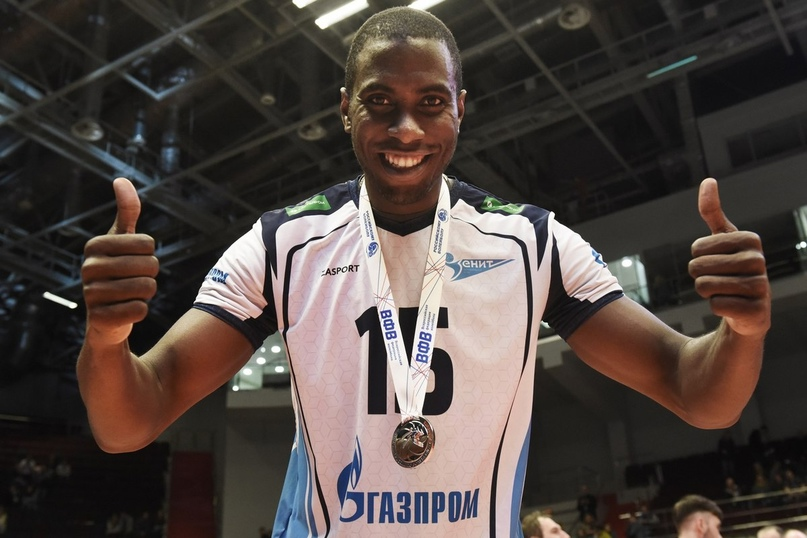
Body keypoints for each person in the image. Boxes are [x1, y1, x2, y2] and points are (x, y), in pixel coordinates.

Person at [76, 6, 771, 537]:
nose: (405, 127)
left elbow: (697, 393)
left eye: (430, 102)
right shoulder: (282, 245)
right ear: (344, 107)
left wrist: (741, 331)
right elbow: (131, 420)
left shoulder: (531, 243)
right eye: (379, 101)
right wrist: (105, 341)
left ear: (460, 109)